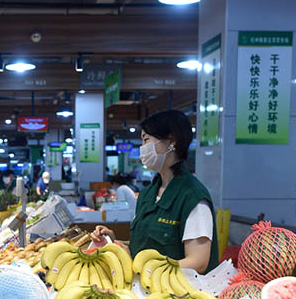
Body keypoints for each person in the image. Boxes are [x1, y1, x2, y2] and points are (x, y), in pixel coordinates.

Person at [92, 110, 219, 274]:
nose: (143, 148)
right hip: (145, 288)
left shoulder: (192, 196)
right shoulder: (148, 195)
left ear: (171, 141)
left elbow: (198, 262)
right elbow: (147, 248)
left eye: (146, 140)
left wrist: (145, 268)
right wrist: (115, 242)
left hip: (178, 293)